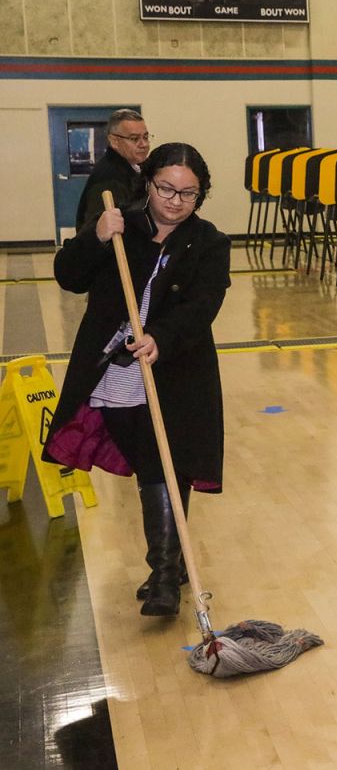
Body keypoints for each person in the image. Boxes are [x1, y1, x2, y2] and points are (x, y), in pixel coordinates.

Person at [43, 143, 231, 617]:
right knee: (152, 462)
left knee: (170, 463)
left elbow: (202, 306)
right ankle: (172, 561)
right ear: (148, 183)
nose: (175, 200)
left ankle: (165, 573)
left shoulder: (209, 243)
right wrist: (95, 238)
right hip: (115, 371)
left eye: (188, 193)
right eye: (166, 188)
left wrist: (160, 338)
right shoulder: (119, 224)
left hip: (177, 369)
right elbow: (68, 276)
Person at [75, 108, 151, 229]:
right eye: (134, 139)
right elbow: (95, 229)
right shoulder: (109, 178)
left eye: (145, 137)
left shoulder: (138, 166)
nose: (144, 144)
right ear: (114, 141)